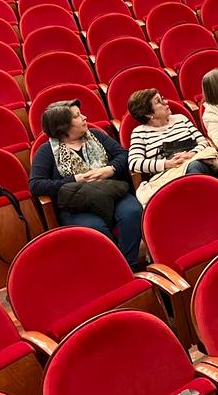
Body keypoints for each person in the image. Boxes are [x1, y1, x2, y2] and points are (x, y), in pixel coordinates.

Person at [28, 100, 142, 270]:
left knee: (132, 212)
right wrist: (75, 179)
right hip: (78, 205)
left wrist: (110, 169)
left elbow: (123, 155)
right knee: (95, 228)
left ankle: (129, 267)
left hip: (111, 191)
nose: (84, 117)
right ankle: (113, 269)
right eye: (77, 116)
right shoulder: (47, 151)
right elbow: (36, 185)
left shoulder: (96, 135)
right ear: (63, 126)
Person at [127, 89, 218, 203]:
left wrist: (192, 154)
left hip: (196, 164)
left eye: (162, 98)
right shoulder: (140, 133)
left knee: (194, 166)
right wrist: (167, 164)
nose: (166, 102)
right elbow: (134, 163)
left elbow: (203, 142)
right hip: (167, 176)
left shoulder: (181, 119)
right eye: (159, 101)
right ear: (149, 114)